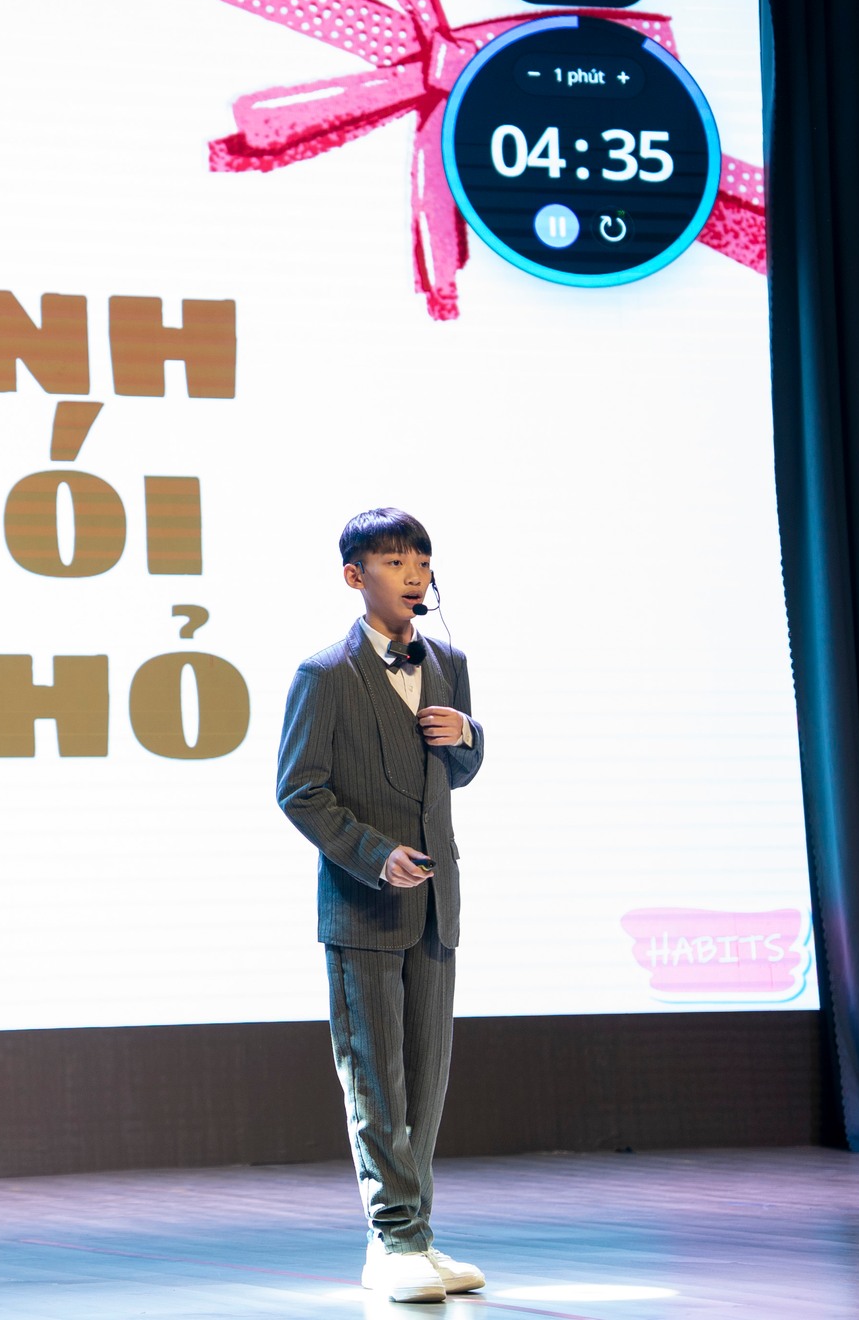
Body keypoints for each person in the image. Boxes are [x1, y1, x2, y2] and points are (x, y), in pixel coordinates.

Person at [274, 507, 486, 1304]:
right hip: (363, 908)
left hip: (435, 906)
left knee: (427, 1078)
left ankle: (417, 1236)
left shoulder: (449, 662)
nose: (414, 574)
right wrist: (372, 854)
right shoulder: (324, 675)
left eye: (422, 561)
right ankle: (390, 1239)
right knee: (376, 1080)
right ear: (354, 576)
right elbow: (300, 790)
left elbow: (456, 772)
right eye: (395, 561)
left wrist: (468, 735)